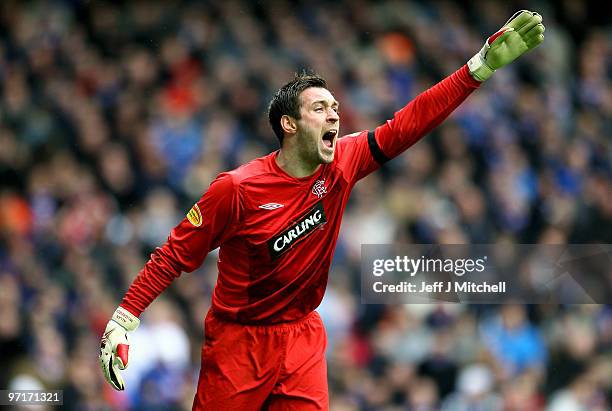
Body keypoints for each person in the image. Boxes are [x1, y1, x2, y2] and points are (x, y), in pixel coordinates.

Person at [99, 10, 545, 410]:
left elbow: (409, 123)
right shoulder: (236, 189)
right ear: (289, 125)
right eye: (320, 108)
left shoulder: (343, 163)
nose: (335, 116)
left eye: (334, 108)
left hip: (302, 338)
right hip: (240, 341)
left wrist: (478, 68)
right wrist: (123, 320)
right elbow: (174, 254)